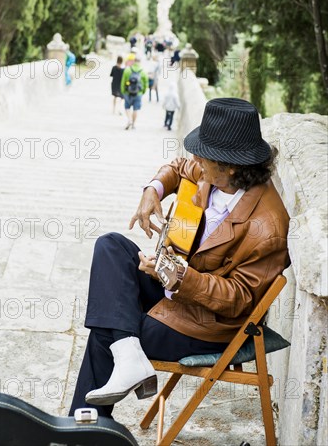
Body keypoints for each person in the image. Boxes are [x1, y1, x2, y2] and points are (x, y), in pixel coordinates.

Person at [68, 97, 290, 420]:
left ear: (231, 165)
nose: (196, 156)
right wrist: (153, 191)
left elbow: (239, 299)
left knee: (107, 331)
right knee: (110, 246)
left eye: (204, 152)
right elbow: (175, 167)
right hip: (174, 286)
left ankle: (83, 430)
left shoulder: (268, 226)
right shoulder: (212, 172)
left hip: (204, 322)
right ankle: (127, 359)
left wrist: (174, 275)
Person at [120, 54, 148, 130]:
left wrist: (123, 91)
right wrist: (143, 92)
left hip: (127, 92)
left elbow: (123, 81)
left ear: (134, 61)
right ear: (140, 62)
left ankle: (129, 119)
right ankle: (133, 124)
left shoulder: (127, 70)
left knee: (127, 107)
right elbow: (146, 84)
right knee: (136, 109)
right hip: (138, 93)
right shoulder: (143, 72)